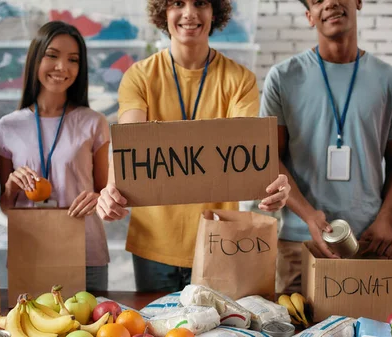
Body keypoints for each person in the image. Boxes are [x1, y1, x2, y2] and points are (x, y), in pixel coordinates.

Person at [96, 0, 291, 292]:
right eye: (178, 3)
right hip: (154, 244)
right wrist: (111, 188)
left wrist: (272, 185)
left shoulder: (239, 80)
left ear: (215, 13)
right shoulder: (139, 76)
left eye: (200, 3)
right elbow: (129, 144)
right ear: (164, 12)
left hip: (217, 239)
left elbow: (248, 154)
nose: (189, 13)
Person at [260, 0, 392, 293]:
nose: (329, 3)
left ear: (358, 2)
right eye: (317, 0)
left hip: (369, 240)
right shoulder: (283, 77)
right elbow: (270, 158)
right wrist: (309, 215)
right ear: (310, 16)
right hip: (299, 240)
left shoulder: (389, 80)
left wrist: (386, 221)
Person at [0, 21, 111, 291]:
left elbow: (104, 191)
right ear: (36, 58)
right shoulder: (7, 126)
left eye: (73, 60)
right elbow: (7, 206)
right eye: (52, 55)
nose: (62, 67)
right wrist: (13, 183)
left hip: (85, 252)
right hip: (31, 251)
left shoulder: (93, 122)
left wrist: (97, 198)